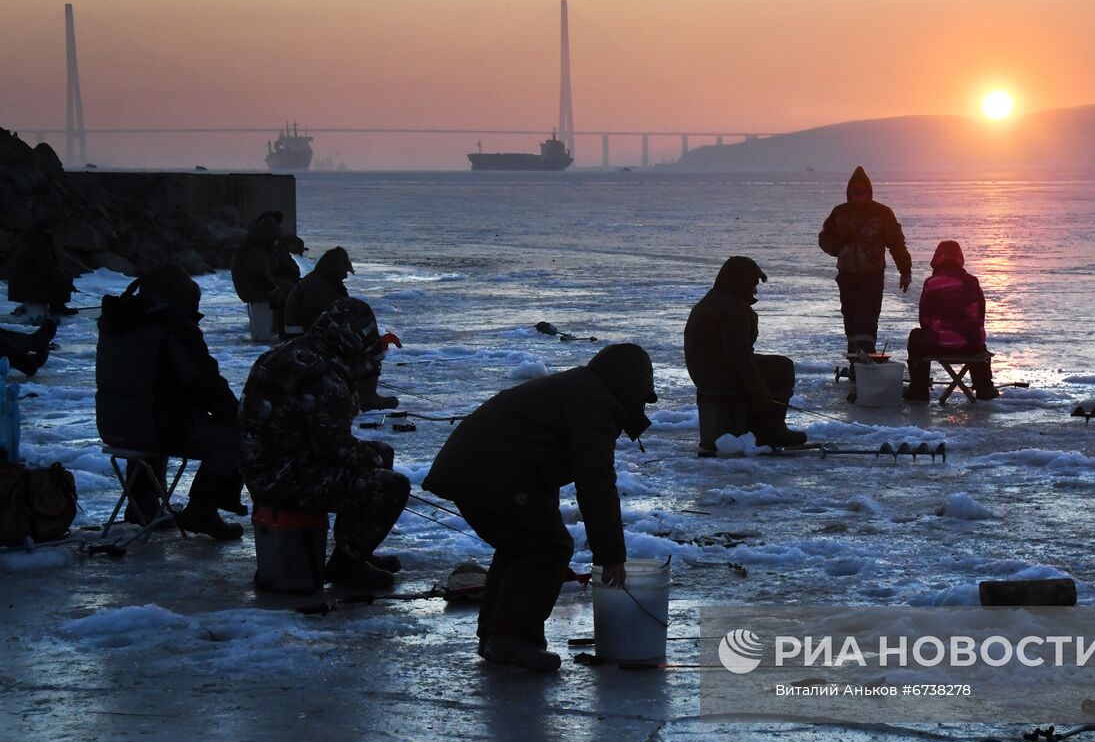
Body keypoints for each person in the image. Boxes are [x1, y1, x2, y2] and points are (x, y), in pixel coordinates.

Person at [422, 343, 657, 672]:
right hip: (487, 473)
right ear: (627, 385)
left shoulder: (581, 389)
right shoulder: (593, 404)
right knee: (546, 546)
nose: (640, 405)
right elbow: (596, 483)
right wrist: (611, 555)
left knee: (522, 544)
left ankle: (496, 636)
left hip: (478, 469)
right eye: (641, 395)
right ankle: (511, 639)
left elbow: (538, 455)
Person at [239, 298, 409, 589]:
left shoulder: (293, 351)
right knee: (391, 484)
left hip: (260, 465)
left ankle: (355, 551)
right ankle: (347, 565)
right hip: (281, 478)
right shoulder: (324, 372)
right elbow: (334, 448)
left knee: (379, 455)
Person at [95, 265, 245, 539]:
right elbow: (204, 380)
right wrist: (237, 414)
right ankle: (203, 510)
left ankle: (143, 505)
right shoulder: (171, 325)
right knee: (236, 437)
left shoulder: (119, 320)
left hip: (112, 425)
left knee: (151, 413)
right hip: (155, 428)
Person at [683, 256, 805, 449]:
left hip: (705, 372)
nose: (755, 290)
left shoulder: (712, 300)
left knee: (766, 369)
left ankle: (760, 426)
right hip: (718, 374)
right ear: (741, 283)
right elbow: (739, 356)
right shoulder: (733, 309)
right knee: (782, 367)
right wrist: (759, 391)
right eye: (752, 284)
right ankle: (773, 430)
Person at [283, 246, 397, 409]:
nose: (345, 276)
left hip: (305, 341)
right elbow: (325, 323)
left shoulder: (320, 282)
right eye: (344, 271)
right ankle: (367, 396)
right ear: (334, 268)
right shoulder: (319, 288)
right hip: (305, 344)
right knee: (372, 348)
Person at [818, 166, 912, 353]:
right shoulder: (840, 213)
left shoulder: (882, 214)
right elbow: (824, 239)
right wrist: (839, 246)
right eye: (855, 193)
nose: (858, 196)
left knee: (867, 319)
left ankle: (866, 357)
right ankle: (855, 362)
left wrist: (905, 270)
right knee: (851, 319)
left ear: (869, 192)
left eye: (862, 192)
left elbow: (896, 243)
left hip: (872, 276)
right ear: (849, 193)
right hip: (847, 276)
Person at [904, 241, 997, 401]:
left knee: (915, 336)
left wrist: (938, 332)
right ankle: (984, 386)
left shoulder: (932, 283)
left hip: (940, 346)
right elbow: (980, 316)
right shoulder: (972, 282)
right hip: (971, 347)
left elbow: (924, 319)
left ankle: (918, 389)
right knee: (974, 333)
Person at [231, 210, 300, 320]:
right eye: (274, 239)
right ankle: (291, 324)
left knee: (296, 286)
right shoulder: (256, 250)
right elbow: (259, 275)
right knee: (298, 292)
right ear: (269, 236)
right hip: (252, 289)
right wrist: (276, 294)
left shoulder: (255, 245)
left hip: (252, 286)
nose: (275, 243)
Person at [6, 223, 77, 320]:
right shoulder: (38, 244)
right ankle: (57, 307)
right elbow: (48, 268)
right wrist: (67, 283)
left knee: (62, 275)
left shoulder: (31, 241)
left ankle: (57, 305)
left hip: (23, 281)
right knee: (63, 276)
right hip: (26, 284)